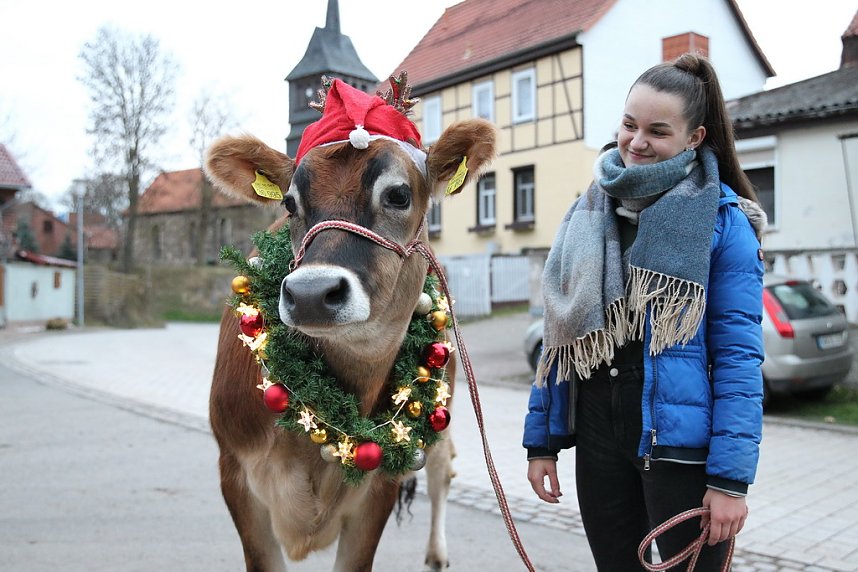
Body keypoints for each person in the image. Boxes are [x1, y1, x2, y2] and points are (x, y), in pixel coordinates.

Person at [523, 53, 767, 571]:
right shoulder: (588, 210)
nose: (636, 142)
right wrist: (540, 441)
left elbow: (739, 361)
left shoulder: (723, 223)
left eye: (658, 131)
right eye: (629, 125)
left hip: (679, 444)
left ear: (695, 138)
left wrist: (730, 481)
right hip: (597, 431)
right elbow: (558, 333)